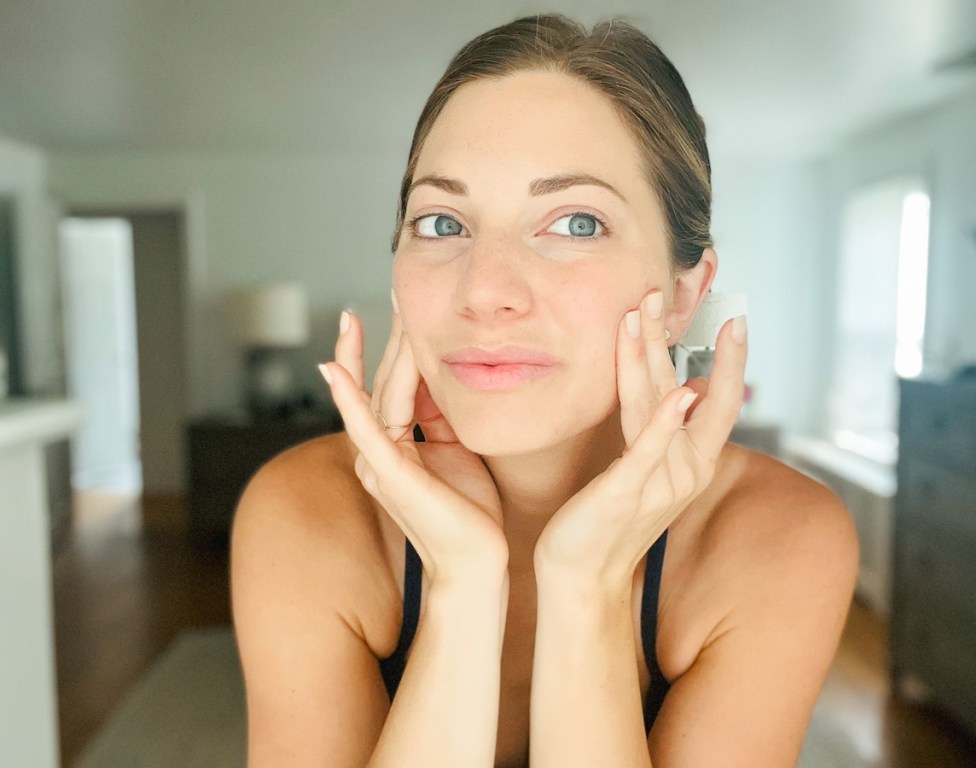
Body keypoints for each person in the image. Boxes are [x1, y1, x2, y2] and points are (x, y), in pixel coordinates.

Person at [230, 13, 858, 768]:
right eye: (441, 222)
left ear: (685, 293)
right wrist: (460, 591)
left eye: (577, 223)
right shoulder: (304, 512)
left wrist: (584, 589)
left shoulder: (778, 539)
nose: (485, 290)